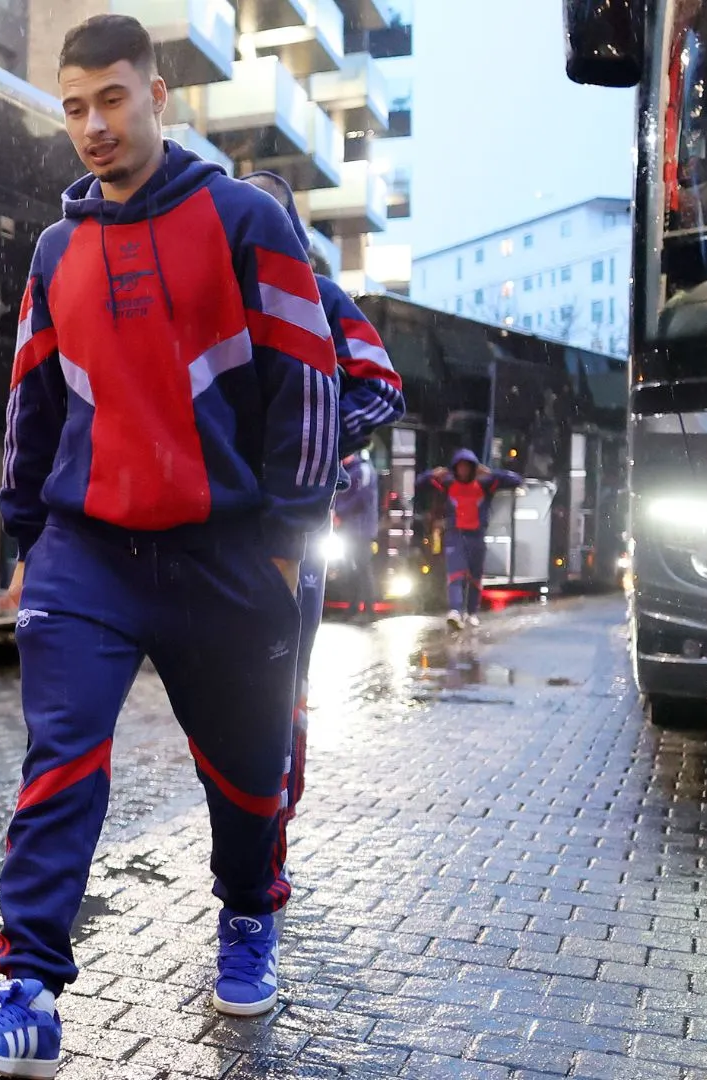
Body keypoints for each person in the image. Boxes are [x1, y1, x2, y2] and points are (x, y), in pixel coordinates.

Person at [0, 16, 340, 1077]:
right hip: (87, 551)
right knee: (60, 759)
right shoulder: (56, 248)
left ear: (158, 95)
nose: (93, 126)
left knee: (247, 777)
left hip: (227, 555)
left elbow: (310, 378)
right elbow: (31, 397)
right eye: (74, 108)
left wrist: (288, 542)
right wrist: (24, 534)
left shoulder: (248, 219)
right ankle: (26, 985)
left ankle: (248, 912)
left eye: (111, 100)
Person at [239, 170, 403, 831]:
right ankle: (243, 832)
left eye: (266, 215)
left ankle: (272, 827)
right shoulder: (208, 302)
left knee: (281, 687)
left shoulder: (325, 300)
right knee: (223, 694)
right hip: (214, 527)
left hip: (295, 531)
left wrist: (311, 439)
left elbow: (384, 390)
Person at [421, 449, 524, 630]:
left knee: (475, 578)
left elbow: (516, 479)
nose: (463, 471)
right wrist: (433, 473)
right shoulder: (448, 483)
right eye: (459, 467)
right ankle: (455, 611)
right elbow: (421, 481)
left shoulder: (485, 483)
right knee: (455, 574)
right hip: (455, 534)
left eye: (467, 467)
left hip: (476, 536)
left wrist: (491, 472)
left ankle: (471, 612)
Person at [334, 449, 383, 619]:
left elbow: (362, 497)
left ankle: (369, 610)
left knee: (362, 567)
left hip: (361, 528)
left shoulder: (362, 469)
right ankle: (353, 607)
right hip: (349, 528)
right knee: (350, 568)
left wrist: (338, 513)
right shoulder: (350, 470)